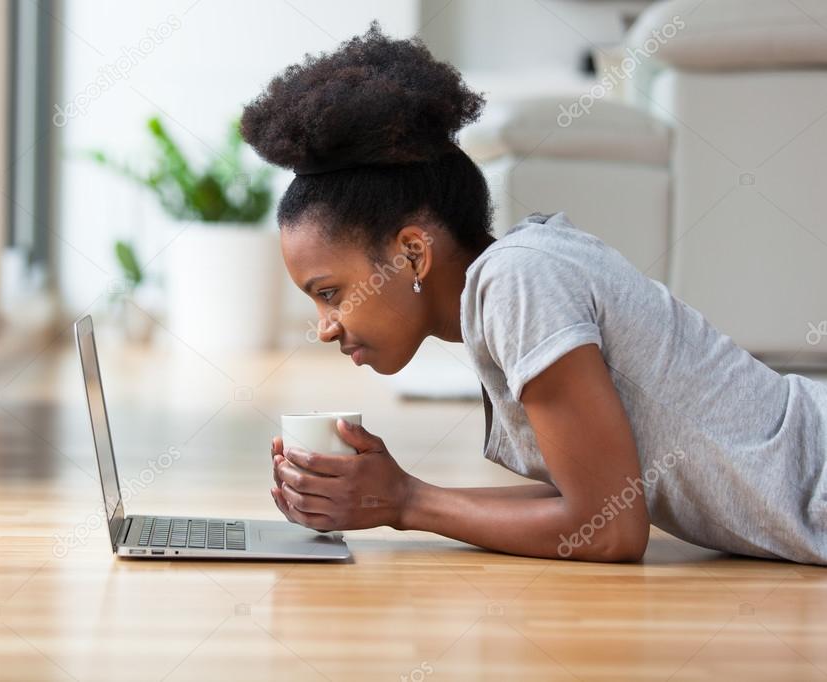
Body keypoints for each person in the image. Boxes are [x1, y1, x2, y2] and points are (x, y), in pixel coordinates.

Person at [241, 22, 827, 564]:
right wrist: (393, 499)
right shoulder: (508, 284)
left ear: (413, 252)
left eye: (330, 291)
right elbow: (589, 504)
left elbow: (611, 530)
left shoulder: (517, 282)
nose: (324, 326)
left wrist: (407, 502)